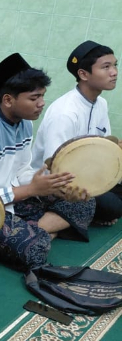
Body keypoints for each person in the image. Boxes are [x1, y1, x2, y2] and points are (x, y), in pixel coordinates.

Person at [0, 53, 95, 272]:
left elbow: (22, 169)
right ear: (8, 100)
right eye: (34, 98)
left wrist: (50, 185)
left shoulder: (24, 123)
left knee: (85, 201)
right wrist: (30, 190)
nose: (41, 104)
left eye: (42, 96)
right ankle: (32, 234)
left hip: (12, 197)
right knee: (36, 250)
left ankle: (28, 231)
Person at [31, 40, 121, 225]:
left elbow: (103, 150)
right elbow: (55, 169)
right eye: (106, 67)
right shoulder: (65, 113)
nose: (114, 72)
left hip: (87, 174)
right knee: (113, 207)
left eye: (115, 65)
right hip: (57, 186)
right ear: (83, 74)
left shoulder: (101, 104)